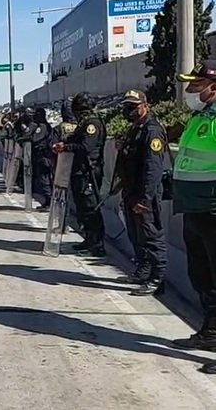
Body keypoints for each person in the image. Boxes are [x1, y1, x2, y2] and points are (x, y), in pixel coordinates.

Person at [170, 60, 216, 372]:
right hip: (195, 210)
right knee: (203, 278)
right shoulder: (200, 117)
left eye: (196, 85)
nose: (190, 90)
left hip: (213, 209)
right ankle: (211, 333)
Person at [116, 89, 167, 295]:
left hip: (145, 195)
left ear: (146, 106)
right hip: (131, 192)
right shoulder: (136, 129)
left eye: (134, 107)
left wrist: (144, 199)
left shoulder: (152, 131)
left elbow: (153, 169)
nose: (130, 111)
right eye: (128, 107)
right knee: (137, 236)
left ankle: (158, 278)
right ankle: (144, 270)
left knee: (151, 237)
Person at [52, 92, 107, 257]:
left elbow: (85, 147)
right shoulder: (84, 123)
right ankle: (89, 240)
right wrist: (66, 142)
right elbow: (75, 139)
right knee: (82, 208)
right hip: (79, 172)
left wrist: (66, 148)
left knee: (91, 208)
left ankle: (97, 245)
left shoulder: (93, 124)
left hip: (88, 172)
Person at [31, 107, 53, 210]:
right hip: (45, 156)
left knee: (45, 179)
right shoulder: (46, 126)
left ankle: (49, 202)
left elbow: (35, 138)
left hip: (43, 156)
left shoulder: (42, 127)